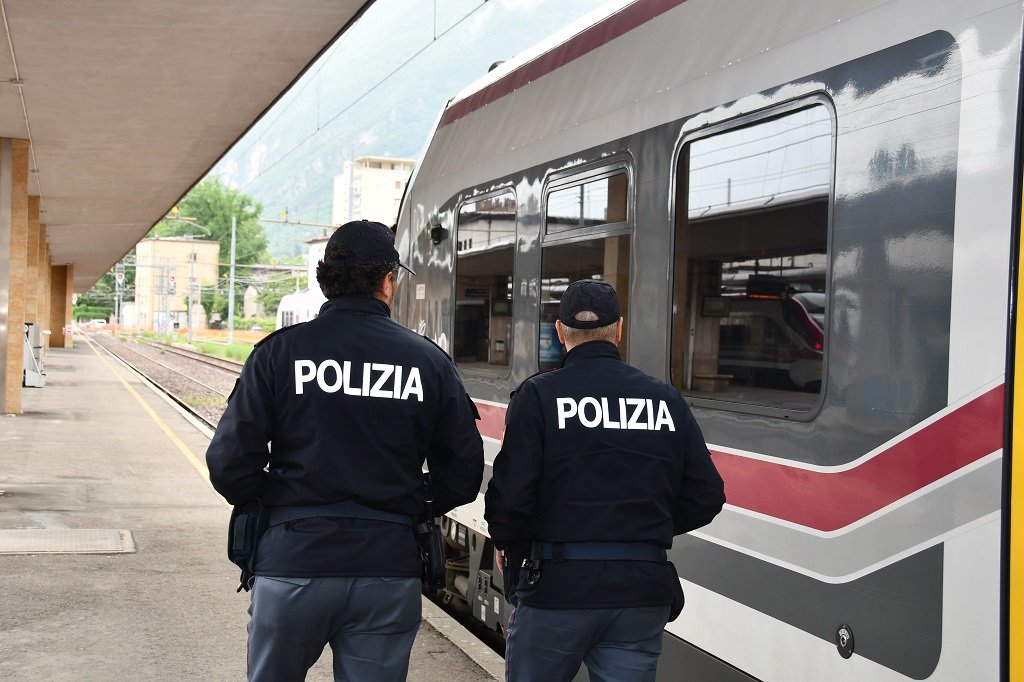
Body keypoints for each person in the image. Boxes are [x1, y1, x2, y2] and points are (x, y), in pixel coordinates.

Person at [206, 219, 484, 682]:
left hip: (292, 562)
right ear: (388, 282)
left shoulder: (278, 354)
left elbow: (229, 464)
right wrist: (408, 502)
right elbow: (463, 475)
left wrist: (279, 500)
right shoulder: (428, 362)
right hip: (386, 568)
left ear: (325, 281)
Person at [484, 278, 725, 682]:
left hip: (558, 589)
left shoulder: (539, 396)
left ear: (560, 332)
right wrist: (643, 525)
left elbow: (510, 499)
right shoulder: (665, 400)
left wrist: (511, 544)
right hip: (640, 591)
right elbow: (706, 497)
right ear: (619, 329)